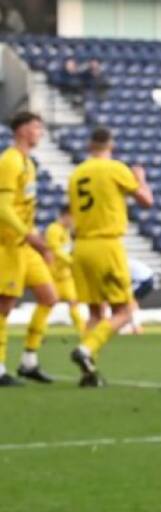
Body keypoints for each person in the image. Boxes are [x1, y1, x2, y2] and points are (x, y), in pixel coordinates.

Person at [67, 127, 154, 387]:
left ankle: (88, 372)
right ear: (111, 144)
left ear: (88, 145)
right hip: (106, 244)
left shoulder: (76, 173)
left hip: (81, 246)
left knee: (95, 312)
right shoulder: (115, 168)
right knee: (125, 310)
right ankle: (85, 350)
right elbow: (146, 201)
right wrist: (140, 179)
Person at [0, 112, 56, 386]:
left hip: (24, 244)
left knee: (49, 296)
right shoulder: (10, 161)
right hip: (8, 244)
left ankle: (28, 361)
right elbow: (2, 208)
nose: (40, 132)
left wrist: (37, 242)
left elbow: (23, 209)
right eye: (36, 127)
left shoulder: (29, 163)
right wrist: (29, 236)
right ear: (22, 130)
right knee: (3, 306)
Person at [44, 206, 87, 336]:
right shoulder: (53, 229)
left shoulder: (66, 232)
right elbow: (56, 250)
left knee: (73, 303)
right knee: (47, 305)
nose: (73, 221)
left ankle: (84, 332)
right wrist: (72, 262)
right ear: (66, 215)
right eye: (73, 218)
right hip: (53, 276)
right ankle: (39, 333)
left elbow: (67, 250)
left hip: (65, 276)